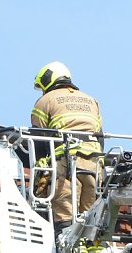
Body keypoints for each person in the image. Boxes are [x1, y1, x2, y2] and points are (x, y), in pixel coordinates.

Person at [30, 61, 102, 232]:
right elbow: (100, 136)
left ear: (48, 81)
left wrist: (41, 171)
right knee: (90, 214)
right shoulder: (91, 100)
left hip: (66, 164)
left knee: (65, 213)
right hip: (93, 164)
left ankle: (67, 251)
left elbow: (39, 138)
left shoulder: (45, 101)